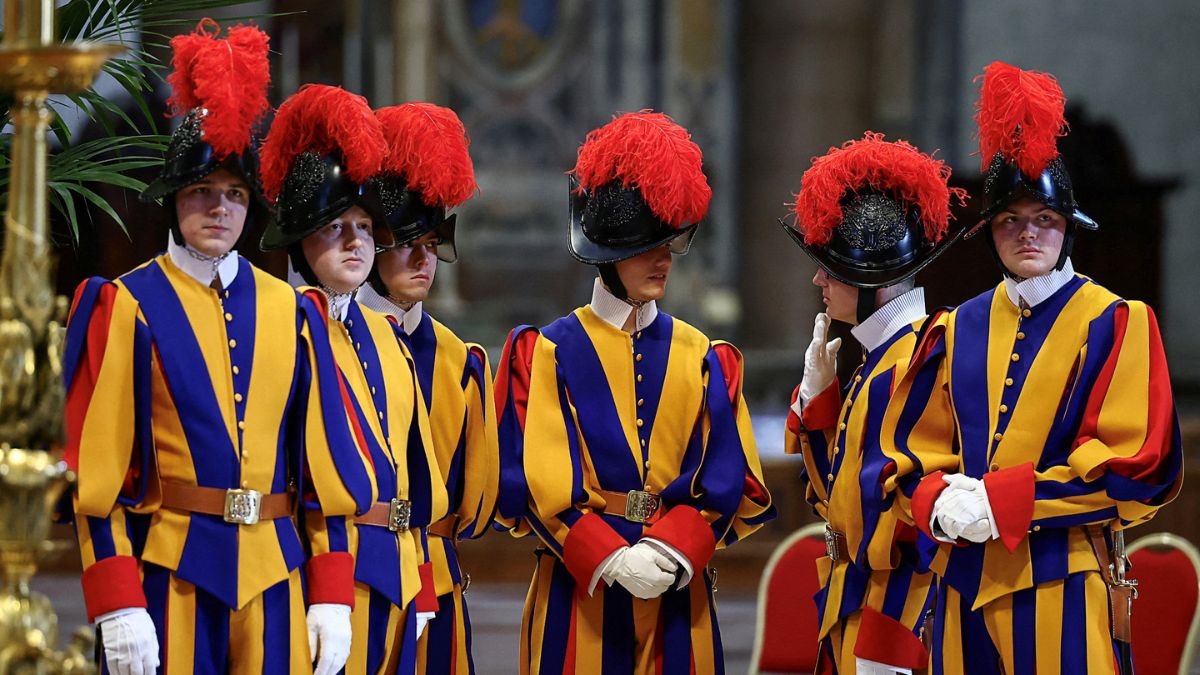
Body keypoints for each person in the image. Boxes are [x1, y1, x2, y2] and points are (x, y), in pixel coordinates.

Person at [63, 21, 376, 674]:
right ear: (175, 197)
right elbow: (97, 483)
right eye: (203, 191)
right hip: (169, 571)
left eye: (235, 194)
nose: (220, 208)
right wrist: (117, 602)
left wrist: (332, 595)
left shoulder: (294, 311)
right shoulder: (128, 303)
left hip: (278, 575)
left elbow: (322, 472)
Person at [875, 61, 1183, 674]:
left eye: (1044, 219)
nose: (1027, 234)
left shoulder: (1116, 321)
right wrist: (935, 497)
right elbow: (910, 451)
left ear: (1068, 229)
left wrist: (1001, 501)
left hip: (1064, 584)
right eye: (1009, 220)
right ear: (988, 232)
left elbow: (1135, 467)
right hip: (959, 585)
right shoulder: (955, 325)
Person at [494, 110, 774, 673]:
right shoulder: (548, 351)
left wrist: (671, 549)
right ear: (607, 254)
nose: (665, 255)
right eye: (648, 243)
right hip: (579, 596)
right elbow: (535, 483)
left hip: (680, 589)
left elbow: (725, 477)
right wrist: (609, 558)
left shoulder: (703, 355)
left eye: (670, 239)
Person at [258, 84, 449, 675]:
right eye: (335, 226)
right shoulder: (280, 330)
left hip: (394, 571)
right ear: (297, 242)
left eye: (365, 227)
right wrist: (328, 591)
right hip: (312, 576)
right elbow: (291, 477)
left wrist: (418, 580)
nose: (355, 242)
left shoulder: (384, 338)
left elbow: (406, 474)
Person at [781, 132, 967, 674]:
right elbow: (832, 495)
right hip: (852, 603)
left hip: (889, 617)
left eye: (829, 266)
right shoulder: (880, 358)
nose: (818, 277)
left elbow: (915, 514)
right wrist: (818, 403)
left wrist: (887, 645)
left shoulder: (921, 356)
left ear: (871, 279)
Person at [354, 102, 498, 675]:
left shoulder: (462, 361)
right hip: (353, 577)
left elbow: (477, 502)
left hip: (439, 586)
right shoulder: (326, 341)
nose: (423, 256)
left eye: (433, 239)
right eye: (405, 239)